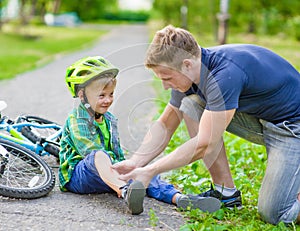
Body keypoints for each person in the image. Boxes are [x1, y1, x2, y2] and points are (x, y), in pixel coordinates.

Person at [112, 25, 300, 224]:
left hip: (292, 128)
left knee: (276, 214)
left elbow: (204, 143)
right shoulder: (190, 73)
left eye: (167, 78)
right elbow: (166, 126)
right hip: (265, 120)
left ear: (186, 64)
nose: (165, 86)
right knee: (191, 104)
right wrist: (136, 162)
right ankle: (225, 193)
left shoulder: (224, 74)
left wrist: (151, 171)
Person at [58, 56, 221, 215]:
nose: (108, 100)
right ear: (82, 95)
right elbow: (90, 152)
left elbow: (116, 153)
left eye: (111, 94)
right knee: (99, 155)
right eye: (101, 96)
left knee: (142, 172)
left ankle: (179, 199)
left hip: (108, 176)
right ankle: (126, 192)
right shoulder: (77, 119)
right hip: (79, 177)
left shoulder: (109, 119)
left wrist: (131, 170)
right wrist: (122, 175)